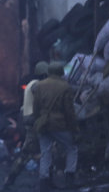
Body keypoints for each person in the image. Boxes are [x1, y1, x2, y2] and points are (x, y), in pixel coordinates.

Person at [0, 61, 48, 190]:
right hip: (34, 122)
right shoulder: (37, 85)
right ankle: (10, 179)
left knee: (38, 151)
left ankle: (45, 180)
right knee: (29, 153)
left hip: (27, 120)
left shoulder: (31, 83)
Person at [32, 61, 78, 192]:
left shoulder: (39, 85)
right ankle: (70, 177)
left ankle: (44, 182)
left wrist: (38, 120)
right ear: (61, 72)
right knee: (72, 148)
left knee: (45, 152)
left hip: (43, 123)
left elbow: (36, 108)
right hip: (59, 124)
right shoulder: (65, 87)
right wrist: (74, 128)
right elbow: (69, 111)